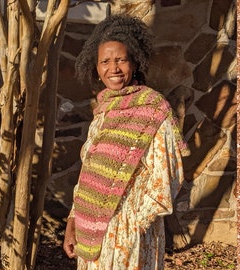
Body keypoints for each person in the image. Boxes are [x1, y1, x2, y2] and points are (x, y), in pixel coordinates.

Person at [63, 14, 190, 270]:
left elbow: (167, 177)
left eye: (121, 59)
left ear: (134, 63)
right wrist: (73, 221)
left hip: (129, 234)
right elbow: (89, 172)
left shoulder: (153, 110)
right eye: (105, 62)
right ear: (96, 69)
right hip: (92, 229)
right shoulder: (104, 110)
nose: (114, 68)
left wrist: (134, 228)